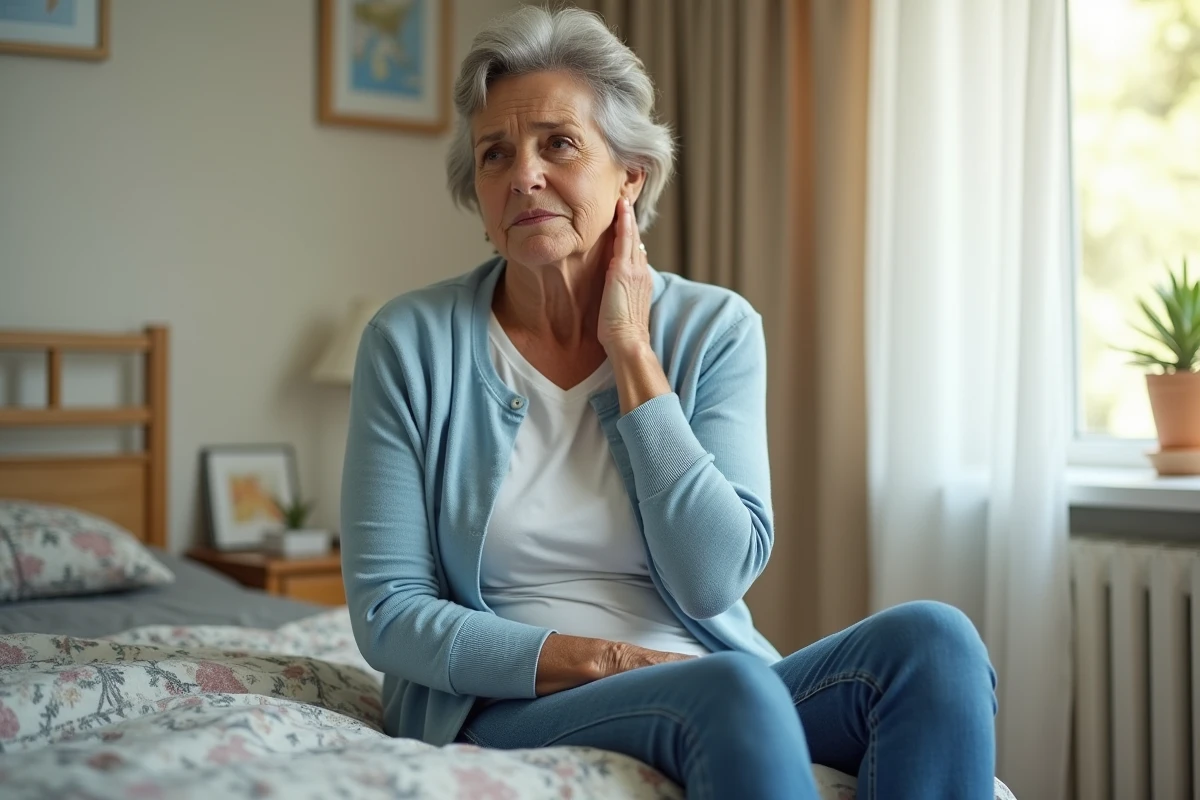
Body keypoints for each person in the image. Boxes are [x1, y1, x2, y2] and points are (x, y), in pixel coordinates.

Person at [340, 6, 997, 799]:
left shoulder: (715, 328)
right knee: (730, 688)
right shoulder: (409, 342)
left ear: (631, 175)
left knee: (935, 644)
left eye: (558, 143)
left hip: (714, 680)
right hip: (515, 702)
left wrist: (632, 351)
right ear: (478, 196)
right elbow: (390, 612)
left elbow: (714, 578)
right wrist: (606, 659)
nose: (523, 175)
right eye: (495, 154)